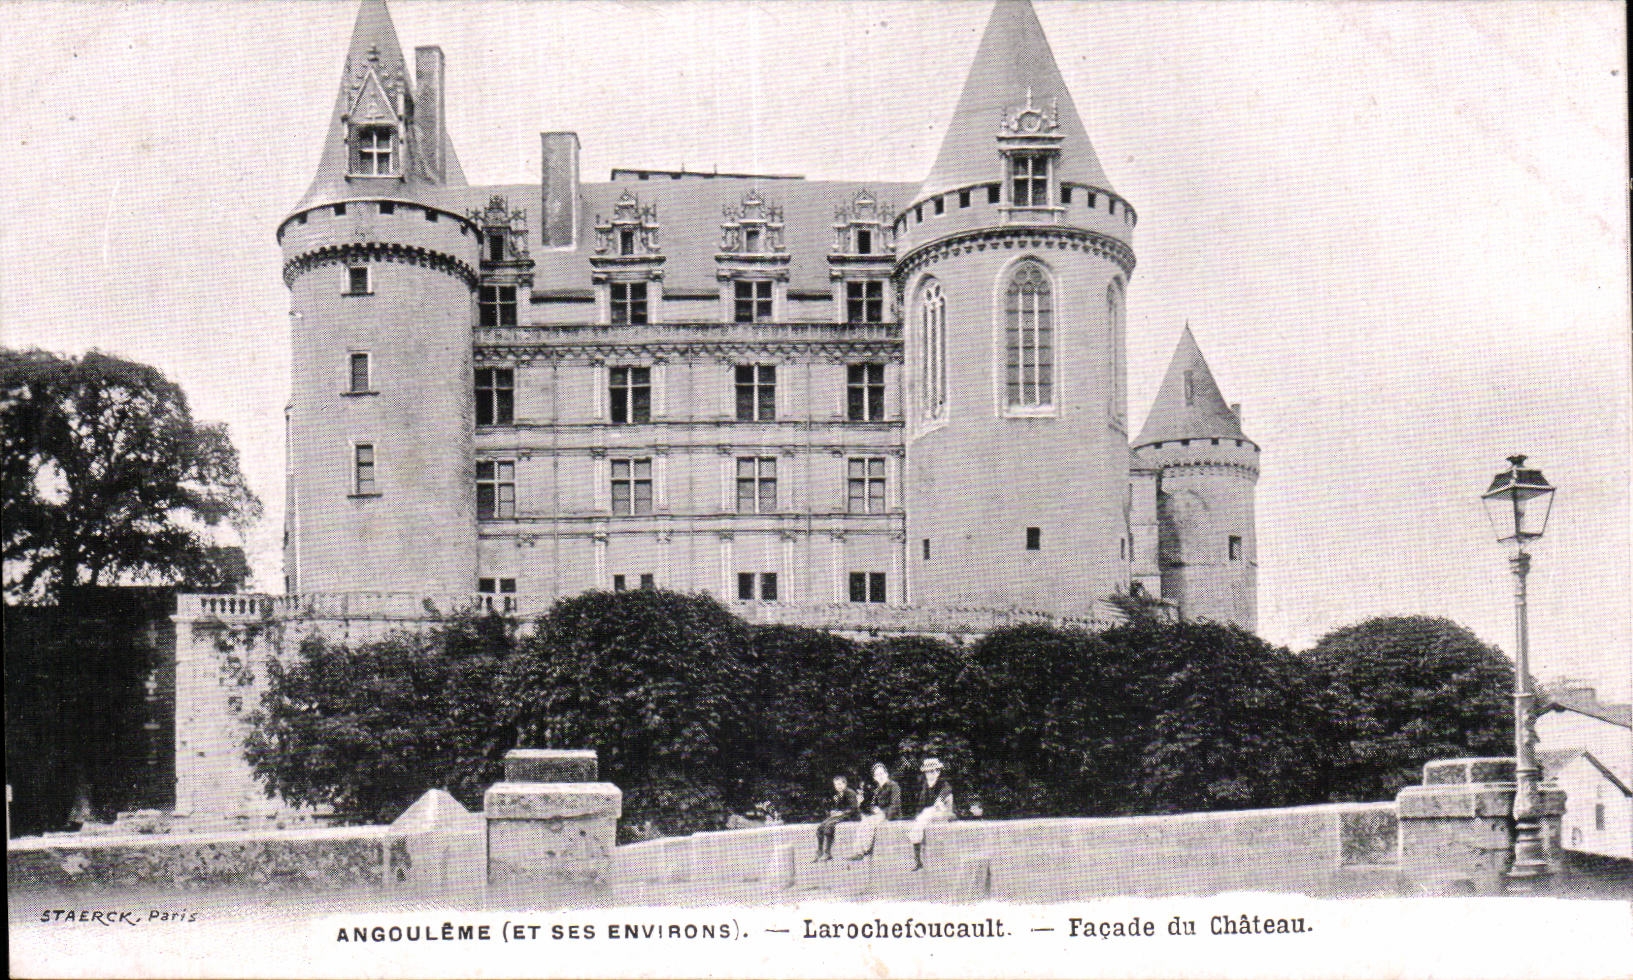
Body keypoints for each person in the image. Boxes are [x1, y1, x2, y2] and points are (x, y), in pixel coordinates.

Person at [908, 757, 954, 871]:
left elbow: (947, 790)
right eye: (928, 772)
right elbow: (922, 803)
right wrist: (918, 815)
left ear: (938, 771)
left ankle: (918, 858)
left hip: (945, 813)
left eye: (933, 771)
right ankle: (917, 859)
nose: (930, 774)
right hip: (930, 814)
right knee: (921, 819)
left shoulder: (943, 783)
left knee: (927, 814)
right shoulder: (926, 785)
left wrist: (939, 800)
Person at [849, 762, 901, 860]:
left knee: (869, 823)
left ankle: (864, 850)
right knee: (864, 822)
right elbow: (872, 805)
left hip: (891, 815)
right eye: (877, 775)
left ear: (886, 774)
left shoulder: (893, 786)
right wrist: (870, 808)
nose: (880, 776)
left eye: (882, 773)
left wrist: (883, 812)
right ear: (875, 778)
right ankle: (858, 852)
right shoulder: (878, 790)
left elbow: (895, 805)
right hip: (881, 815)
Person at [813, 774, 859, 862]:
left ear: (845, 784)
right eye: (836, 785)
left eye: (840, 784)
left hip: (851, 816)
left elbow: (854, 808)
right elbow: (839, 808)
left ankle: (828, 852)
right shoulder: (838, 794)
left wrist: (841, 812)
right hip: (841, 815)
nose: (838, 786)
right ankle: (819, 851)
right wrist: (834, 811)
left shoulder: (850, 793)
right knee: (820, 827)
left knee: (829, 826)